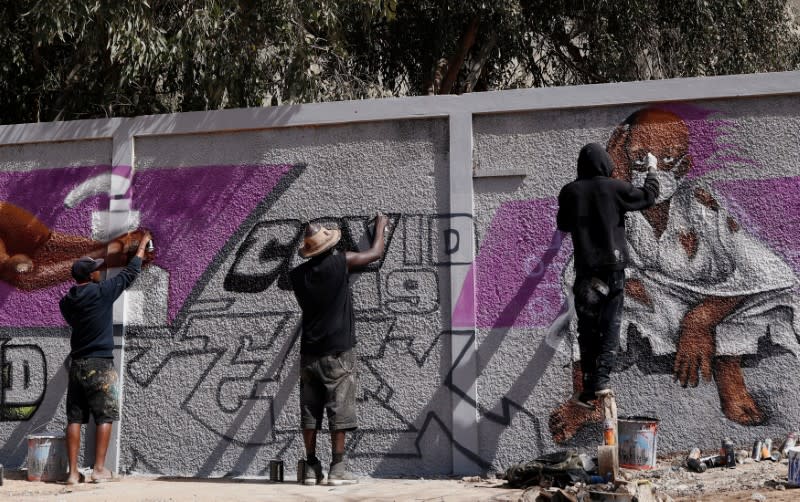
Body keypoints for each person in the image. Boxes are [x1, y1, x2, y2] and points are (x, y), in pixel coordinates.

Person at [555, 143, 659, 408]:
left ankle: (590, 387)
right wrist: (651, 168)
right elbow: (649, 196)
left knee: (588, 330)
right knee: (610, 325)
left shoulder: (570, 192)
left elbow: (563, 224)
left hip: (587, 273)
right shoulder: (616, 188)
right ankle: (601, 380)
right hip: (613, 270)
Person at [289, 213, 389, 486]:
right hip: (338, 351)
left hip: (309, 352)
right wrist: (380, 226)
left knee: (309, 411)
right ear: (329, 245)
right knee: (339, 408)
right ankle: (338, 468)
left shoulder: (297, 276)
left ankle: (310, 467)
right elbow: (376, 253)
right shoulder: (340, 262)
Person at [59, 231, 152, 485]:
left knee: (75, 418)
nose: (100, 272)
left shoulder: (66, 301)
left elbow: (72, 320)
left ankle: (72, 473)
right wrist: (142, 245)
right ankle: (99, 470)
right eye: (96, 270)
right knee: (104, 415)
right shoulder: (101, 292)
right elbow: (130, 273)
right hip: (100, 363)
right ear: (90, 275)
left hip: (77, 364)